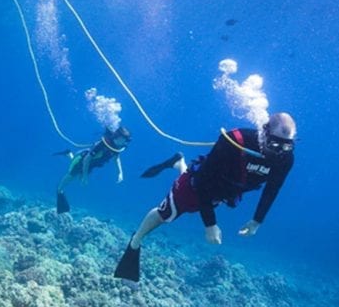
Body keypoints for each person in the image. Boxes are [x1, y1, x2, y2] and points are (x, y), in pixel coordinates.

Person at [114, 112, 296, 282]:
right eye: (275, 144)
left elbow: (273, 188)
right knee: (167, 213)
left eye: (287, 146)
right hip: (197, 184)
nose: (279, 151)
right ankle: (135, 241)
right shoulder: (235, 141)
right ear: (264, 133)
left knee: (193, 204)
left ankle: (178, 162)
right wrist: (210, 224)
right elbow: (203, 181)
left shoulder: (285, 158)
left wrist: (257, 220)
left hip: (222, 192)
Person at [56, 126, 132, 213]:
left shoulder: (117, 146)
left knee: (80, 178)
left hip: (91, 165)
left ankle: (69, 154)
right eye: (124, 139)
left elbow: (116, 158)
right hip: (81, 161)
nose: (125, 142)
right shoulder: (102, 144)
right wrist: (85, 176)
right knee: (71, 176)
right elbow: (87, 159)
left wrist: (120, 172)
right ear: (118, 137)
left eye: (127, 140)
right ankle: (59, 190)